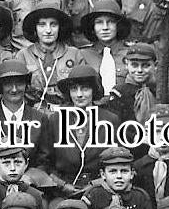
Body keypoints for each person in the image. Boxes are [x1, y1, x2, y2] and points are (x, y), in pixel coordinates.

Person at [46, 65, 120, 197]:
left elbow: (116, 159)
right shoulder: (56, 120)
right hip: (63, 191)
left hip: (100, 189)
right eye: (74, 89)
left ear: (94, 90)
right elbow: (46, 161)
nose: (79, 95)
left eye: (85, 89)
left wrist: (96, 184)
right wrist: (62, 185)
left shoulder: (109, 119)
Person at [0, 59, 55, 172]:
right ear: (1, 86)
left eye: (19, 83)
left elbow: (45, 160)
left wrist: (30, 178)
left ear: (26, 85)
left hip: (30, 186)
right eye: (8, 84)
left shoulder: (39, 118)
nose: (14, 89)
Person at [14, 1, 85, 109]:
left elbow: (82, 89)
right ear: (35, 28)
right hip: (34, 113)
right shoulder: (23, 55)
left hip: (66, 113)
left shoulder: (74, 54)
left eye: (53, 25)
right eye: (42, 25)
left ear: (60, 27)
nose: (48, 30)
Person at [82, 147, 156, 209]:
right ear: (103, 174)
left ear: (132, 174)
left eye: (124, 171)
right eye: (113, 171)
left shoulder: (140, 197)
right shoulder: (92, 195)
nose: (119, 176)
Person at [103, 42, 157, 124]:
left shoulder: (159, 90)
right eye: (134, 65)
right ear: (126, 65)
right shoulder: (119, 93)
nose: (139, 70)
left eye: (146, 65)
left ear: (155, 65)